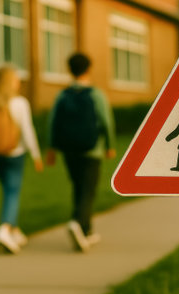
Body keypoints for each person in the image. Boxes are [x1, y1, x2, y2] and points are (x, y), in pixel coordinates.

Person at [47, 53, 116, 252]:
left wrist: (51, 148)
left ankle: (86, 232)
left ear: (69, 70)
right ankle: (77, 222)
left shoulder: (63, 95)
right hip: (92, 150)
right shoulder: (96, 94)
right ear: (88, 69)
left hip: (69, 150)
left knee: (78, 187)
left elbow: (53, 122)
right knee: (89, 190)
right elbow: (106, 121)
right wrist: (110, 145)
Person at [0, 65, 43, 254]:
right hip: (15, 153)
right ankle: (5, 228)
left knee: (7, 188)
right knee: (12, 191)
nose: (19, 82)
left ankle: (14, 230)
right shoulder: (20, 103)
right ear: (10, 83)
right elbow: (27, 131)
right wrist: (36, 154)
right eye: (16, 79)